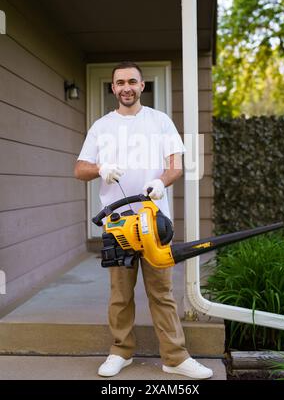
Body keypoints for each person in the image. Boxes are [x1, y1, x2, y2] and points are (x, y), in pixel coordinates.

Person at [74, 61, 213, 380]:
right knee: (120, 295)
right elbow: (80, 168)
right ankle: (120, 351)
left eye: (132, 82)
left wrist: (162, 182)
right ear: (112, 88)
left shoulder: (160, 121)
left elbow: (175, 165)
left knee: (161, 293)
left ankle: (175, 358)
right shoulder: (101, 126)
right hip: (118, 225)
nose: (126, 87)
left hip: (154, 223)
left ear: (141, 86)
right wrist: (101, 169)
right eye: (120, 82)